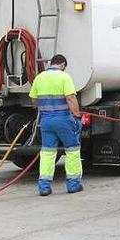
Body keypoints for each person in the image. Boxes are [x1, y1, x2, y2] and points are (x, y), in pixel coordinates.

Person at [28, 54, 83, 196]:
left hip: (46, 121)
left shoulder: (39, 77)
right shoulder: (64, 77)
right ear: (63, 64)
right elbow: (70, 98)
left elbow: (33, 99)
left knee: (47, 153)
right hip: (63, 120)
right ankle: (73, 184)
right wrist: (77, 116)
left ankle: (44, 187)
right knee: (72, 151)